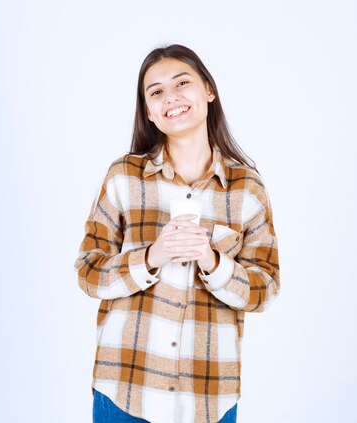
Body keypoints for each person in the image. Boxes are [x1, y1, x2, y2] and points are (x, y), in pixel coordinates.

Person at [74, 44, 280, 423]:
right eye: (156, 92)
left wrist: (212, 261)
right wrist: (153, 255)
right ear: (150, 113)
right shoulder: (124, 178)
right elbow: (88, 273)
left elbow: (265, 288)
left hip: (208, 397)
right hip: (125, 390)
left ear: (208, 90)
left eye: (182, 82)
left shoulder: (246, 188)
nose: (171, 97)